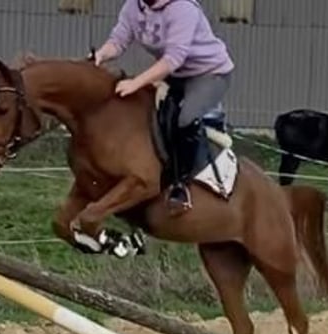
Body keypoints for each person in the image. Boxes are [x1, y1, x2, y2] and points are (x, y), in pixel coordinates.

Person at [94, 0, 235, 214]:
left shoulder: (182, 8)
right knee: (147, 112)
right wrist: (101, 55)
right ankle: (148, 172)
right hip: (177, 74)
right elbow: (119, 40)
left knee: (185, 119)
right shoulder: (133, 7)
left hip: (209, 74)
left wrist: (136, 82)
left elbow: (173, 58)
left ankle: (182, 186)